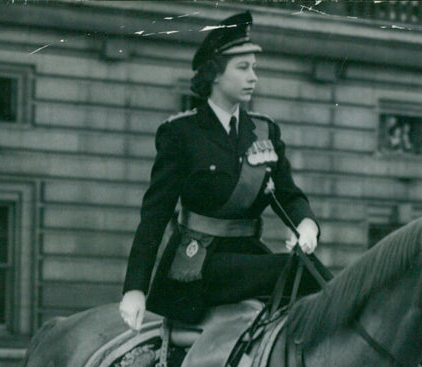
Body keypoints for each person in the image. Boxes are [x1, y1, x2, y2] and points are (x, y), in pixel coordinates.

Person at [119, 11, 326, 329]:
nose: (253, 77)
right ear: (215, 74)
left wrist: (307, 226)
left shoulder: (264, 130)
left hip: (249, 255)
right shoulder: (181, 133)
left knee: (315, 275)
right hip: (200, 264)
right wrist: (135, 288)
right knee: (293, 269)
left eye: (254, 68)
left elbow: (289, 194)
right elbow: (154, 217)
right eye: (242, 68)